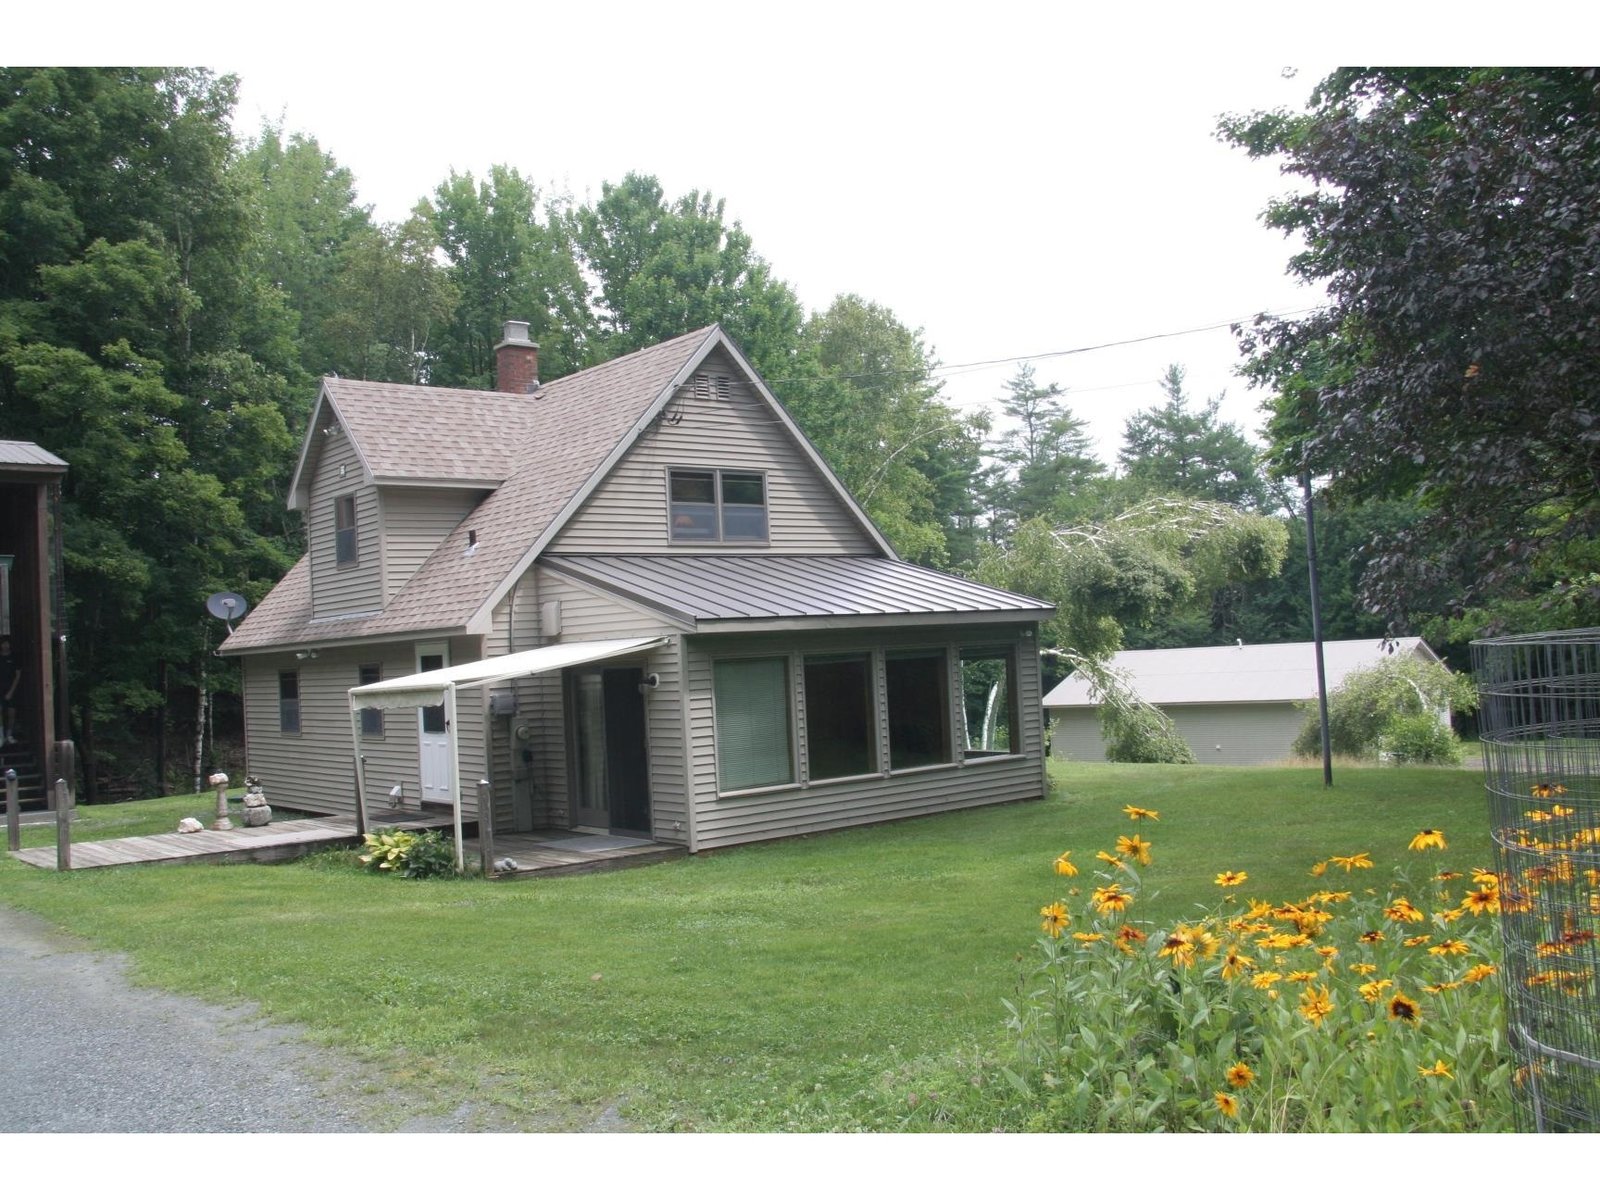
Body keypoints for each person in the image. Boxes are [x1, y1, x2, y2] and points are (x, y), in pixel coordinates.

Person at [0, 636, 20, 746]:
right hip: (0, 689)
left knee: (11, 712)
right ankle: (1, 736)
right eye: (3, 644)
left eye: (7, 643)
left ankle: (9, 735)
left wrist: (11, 691)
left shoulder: (14, 657)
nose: (5, 646)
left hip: (11, 689)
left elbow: (18, 675)